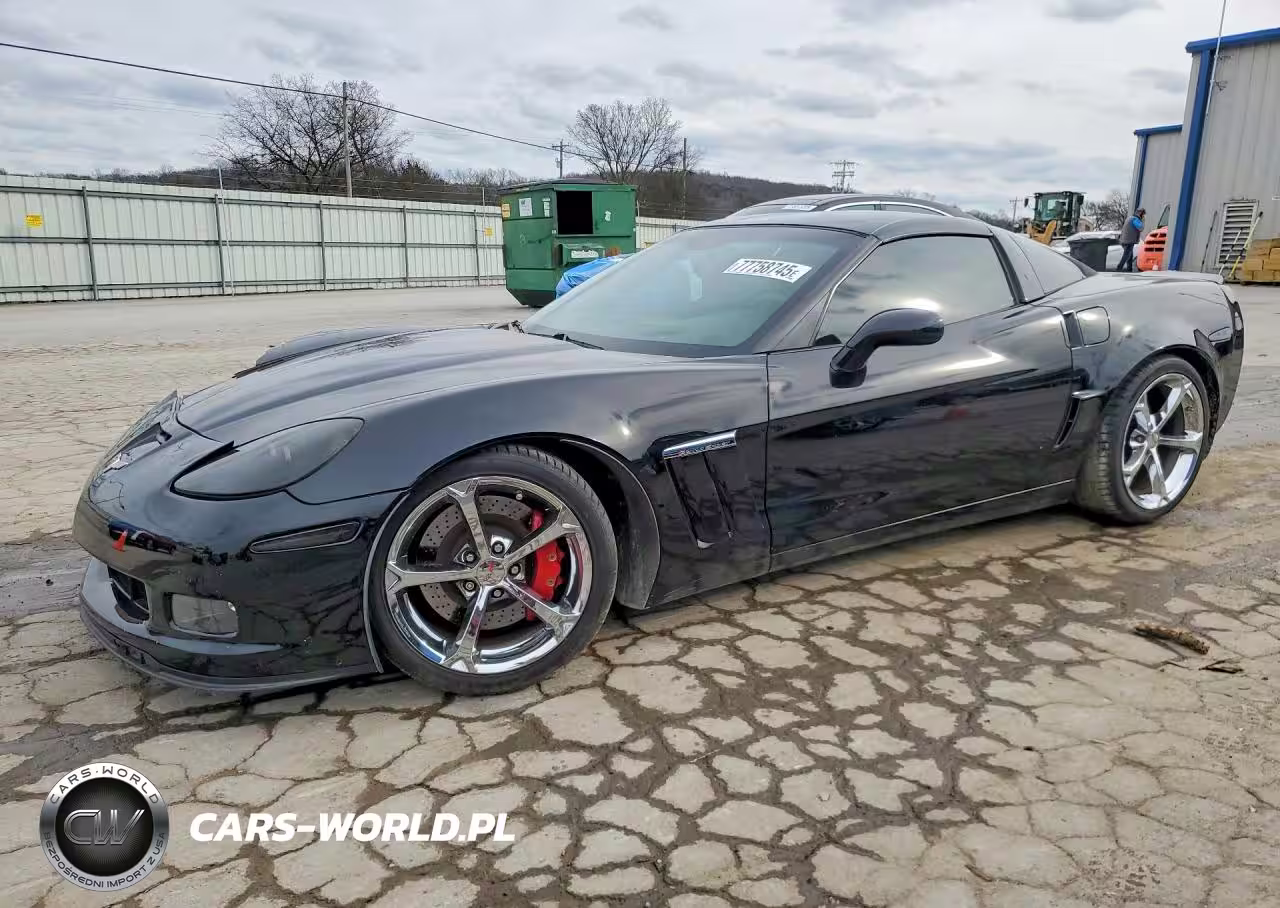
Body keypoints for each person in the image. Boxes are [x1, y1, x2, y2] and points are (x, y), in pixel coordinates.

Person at [1118, 208, 1145, 272]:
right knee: (1126, 255)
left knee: (1130, 255)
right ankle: (1119, 268)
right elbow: (1140, 228)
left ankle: (1129, 269)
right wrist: (1143, 221)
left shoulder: (1130, 218)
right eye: (1143, 215)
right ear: (1140, 214)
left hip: (1124, 240)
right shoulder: (1135, 219)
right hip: (1128, 241)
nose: (1143, 216)